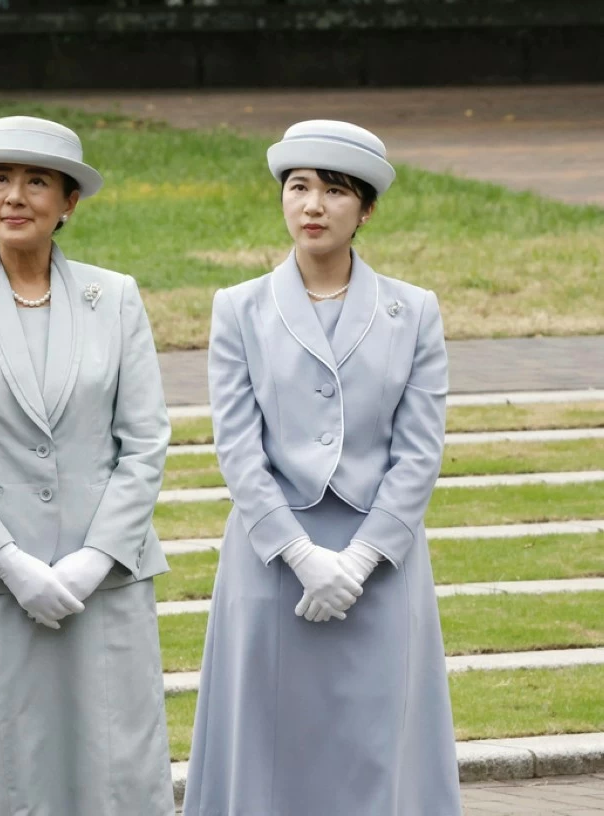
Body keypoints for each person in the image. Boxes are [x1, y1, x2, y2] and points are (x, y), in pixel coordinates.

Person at [182, 120, 461, 815]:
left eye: (334, 191)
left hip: (383, 566)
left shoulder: (414, 312)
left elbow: (419, 450)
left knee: (376, 747)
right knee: (269, 747)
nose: (312, 205)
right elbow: (239, 447)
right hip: (274, 561)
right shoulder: (238, 309)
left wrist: (361, 560)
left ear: (365, 209)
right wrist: (302, 555)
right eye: (299, 187)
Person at [0, 116, 175, 816]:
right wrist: (10, 562)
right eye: (0, 179)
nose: (16, 196)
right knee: (17, 777)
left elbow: (144, 441)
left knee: (122, 772)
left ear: (69, 203)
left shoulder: (114, 297)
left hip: (109, 585)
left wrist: (95, 558)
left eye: (37, 181)